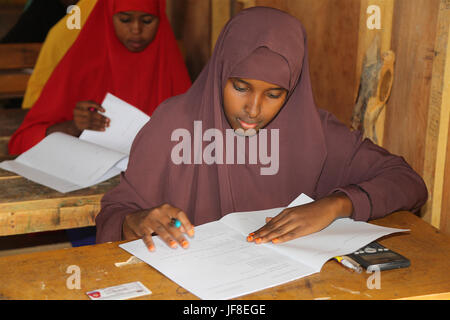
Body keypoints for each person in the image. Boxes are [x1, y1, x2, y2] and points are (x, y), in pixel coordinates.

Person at [95, 7, 428, 250]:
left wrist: (335, 205)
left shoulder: (314, 131)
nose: (253, 110)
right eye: (240, 87)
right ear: (220, 73)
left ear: (292, 89)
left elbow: (407, 182)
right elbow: (115, 211)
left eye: (274, 94)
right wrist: (136, 221)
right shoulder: (172, 125)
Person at [8, 0, 191, 155]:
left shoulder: (170, 67)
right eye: (125, 19)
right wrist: (73, 127)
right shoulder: (80, 64)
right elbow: (21, 143)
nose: (136, 29)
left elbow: (198, 141)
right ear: (107, 17)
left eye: (147, 20)